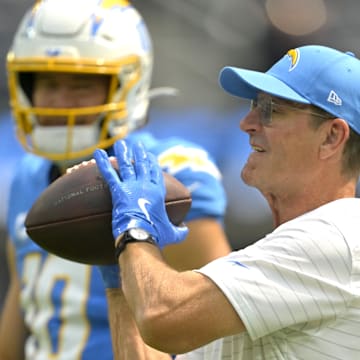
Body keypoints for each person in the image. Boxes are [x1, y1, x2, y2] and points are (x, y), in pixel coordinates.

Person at [94, 44, 360, 359]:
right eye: (254, 104)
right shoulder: (282, 256)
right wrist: (120, 283)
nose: (246, 123)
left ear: (331, 137)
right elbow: (161, 318)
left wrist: (135, 231)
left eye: (272, 110)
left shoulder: (339, 233)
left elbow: (162, 315)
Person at [0, 0, 231, 359]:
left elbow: (219, 319)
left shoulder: (169, 170)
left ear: (127, 87)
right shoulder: (28, 177)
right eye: (47, 83)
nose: (60, 102)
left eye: (81, 85)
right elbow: (23, 306)